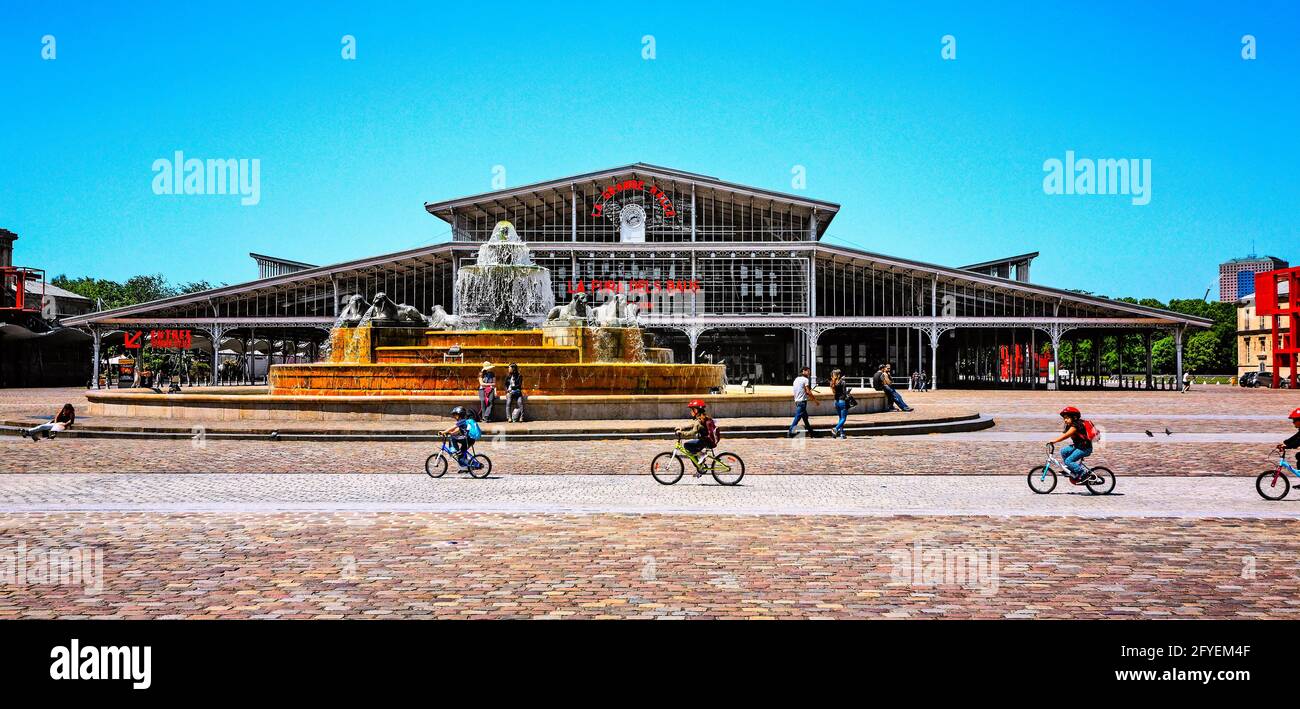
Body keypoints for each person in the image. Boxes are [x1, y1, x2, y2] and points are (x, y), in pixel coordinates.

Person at [1048, 405, 1096, 482]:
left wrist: (1054, 441)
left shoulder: (1076, 425)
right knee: (1064, 451)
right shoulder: (1069, 425)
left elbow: (1065, 436)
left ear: (1074, 417)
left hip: (1085, 448)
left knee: (1068, 461)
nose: (1065, 420)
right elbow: (1064, 434)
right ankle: (1071, 469)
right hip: (1078, 446)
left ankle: (1083, 473)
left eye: (1067, 418)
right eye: (1064, 418)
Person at [675, 399, 717, 477]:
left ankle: (701, 456)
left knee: (687, 445)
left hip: (705, 441)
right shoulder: (702, 418)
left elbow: (692, 432)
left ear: (696, 410)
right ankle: (700, 467)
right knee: (691, 452)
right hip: (706, 440)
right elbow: (692, 425)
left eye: (692, 410)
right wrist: (682, 427)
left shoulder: (699, 421)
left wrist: (682, 433)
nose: (691, 412)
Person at [438, 405, 481, 472]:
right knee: (462, 454)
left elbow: (453, 427)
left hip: (468, 440)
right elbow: (457, 430)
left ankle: (453, 450)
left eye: (456, 415)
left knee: (452, 438)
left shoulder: (463, 421)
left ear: (460, 415)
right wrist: (451, 433)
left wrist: (444, 432)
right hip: (470, 440)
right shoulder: (464, 422)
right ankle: (465, 467)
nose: (455, 417)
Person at [788, 366, 818, 437]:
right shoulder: (805, 380)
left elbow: (799, 390)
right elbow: (808, 392)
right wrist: (815, 400)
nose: (809, 373)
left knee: (805, 418)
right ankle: (790, 430)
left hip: (797, 400)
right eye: (808, 371)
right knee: (798, 417)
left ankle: (811, 432)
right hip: (802, 402)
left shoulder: (796, 379)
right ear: (803, 371)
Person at [830, 369, 850, 439]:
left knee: (840, 418)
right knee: (843, 418)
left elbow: (834, 392)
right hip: (842, 401)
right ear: (839, 375)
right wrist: (848, 392)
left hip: (836, 402)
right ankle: (835, 429)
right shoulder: (843, 382)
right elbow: (844, 393)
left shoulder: (832, 382)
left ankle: (842, 433)